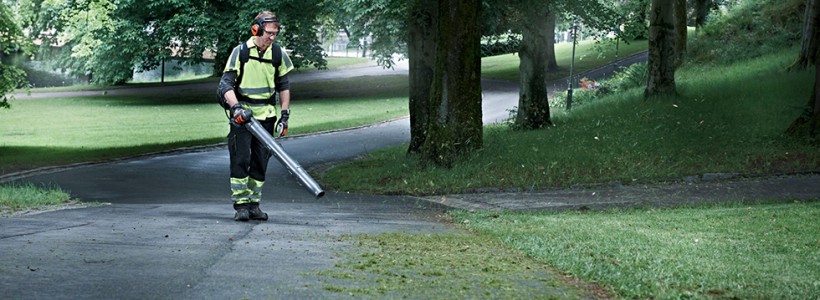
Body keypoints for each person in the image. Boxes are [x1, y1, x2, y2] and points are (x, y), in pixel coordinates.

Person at [217, 11, 294, 221]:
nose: (272, 37)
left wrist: (284, 115)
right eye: (269, 33)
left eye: (275, 34)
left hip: (267, 117)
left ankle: (254, 204)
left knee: (261, 161)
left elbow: (284, 86)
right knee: (241, 158)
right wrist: (236, 109)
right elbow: (225, 85)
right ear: (256, 29)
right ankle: (241, 205)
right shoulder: (240, 52)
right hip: (243, 118)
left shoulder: (278, 54)